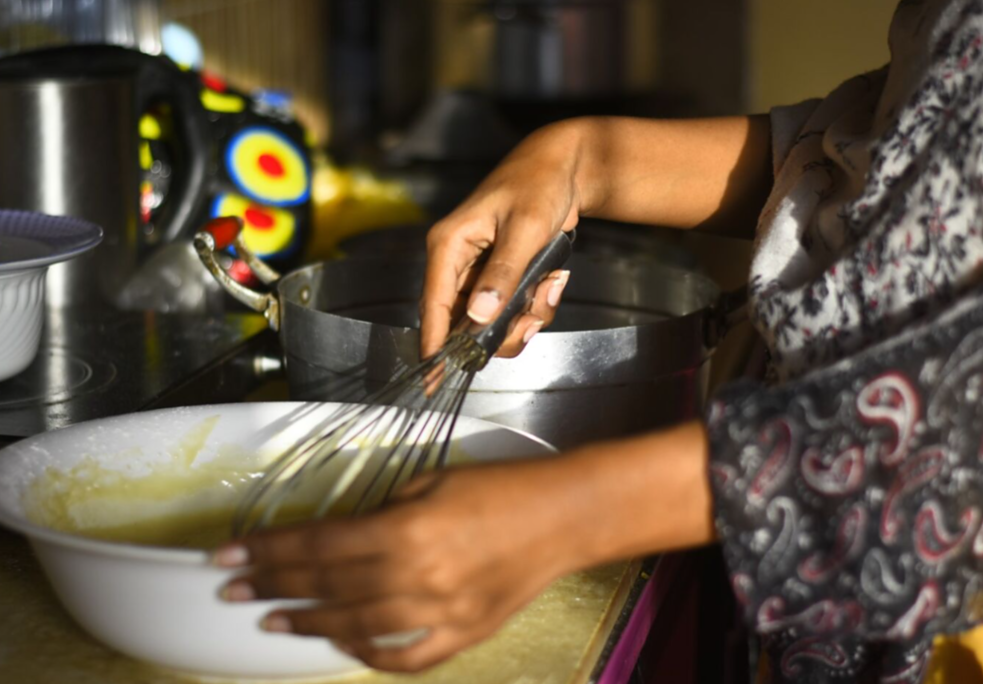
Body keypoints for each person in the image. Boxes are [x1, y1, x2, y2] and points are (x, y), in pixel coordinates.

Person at [213, 1, 983, 681]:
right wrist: (580, 158)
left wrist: (564, 515)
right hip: (801, 591)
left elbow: (953, 435)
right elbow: (886, 163)